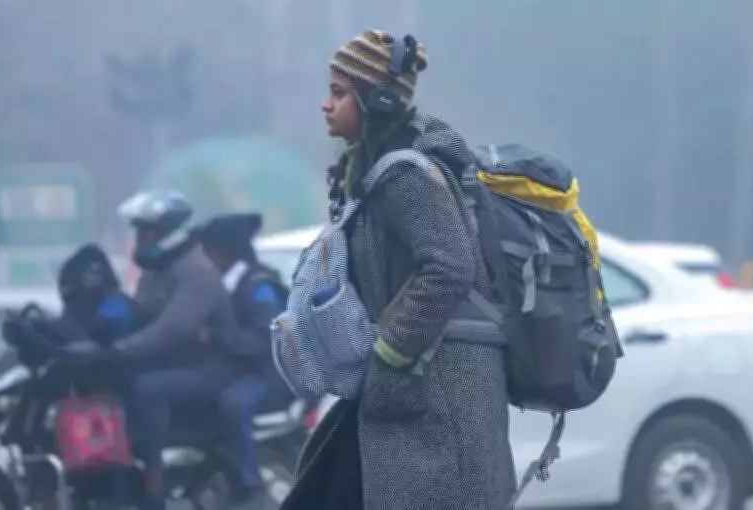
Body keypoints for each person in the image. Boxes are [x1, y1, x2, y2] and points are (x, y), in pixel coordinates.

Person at [289, 30, 515, 509]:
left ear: (380, 100)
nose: (325, 105)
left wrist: (392, 357)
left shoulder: (407, 174)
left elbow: (450, 266)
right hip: (413, 399)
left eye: (338, 93)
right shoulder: (376, 173)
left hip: (440, 400)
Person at [113, 190, 239, 510]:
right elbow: (138, 313)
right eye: (138, 231)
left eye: (147, 231)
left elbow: (171, 329)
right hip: (174, 365)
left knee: (147, 389)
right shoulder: (156, 271)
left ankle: (154, 478)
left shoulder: (196, 271)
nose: (139, 239)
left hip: (210, 371)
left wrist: (120, 350)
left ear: (170, 233)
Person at [199, 212, 291, 509]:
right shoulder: (228, 283)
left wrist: (217, 338)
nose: (205, 256)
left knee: (233, 404)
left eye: (209, 250)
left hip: (274, 374)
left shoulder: (258, 286)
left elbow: (266, 340)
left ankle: (248, 484)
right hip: (246, 370)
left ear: (225, 251)